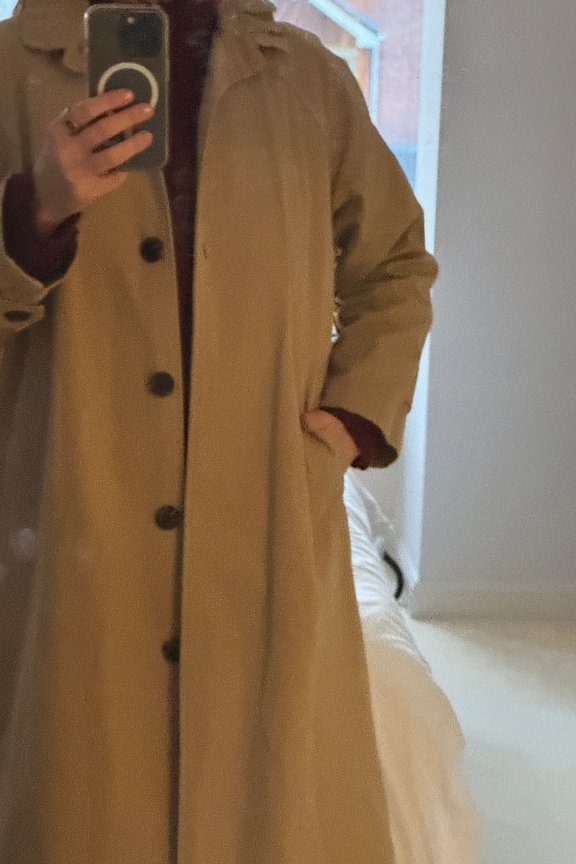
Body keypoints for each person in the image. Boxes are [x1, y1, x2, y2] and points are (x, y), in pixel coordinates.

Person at [0, 0, 437, 862]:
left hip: (265, 504)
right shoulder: (12, 70)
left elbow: (394, 266)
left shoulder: (309, 81)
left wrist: (351, 418)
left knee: (270, 804)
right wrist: (35, 214)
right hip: (71, 506)